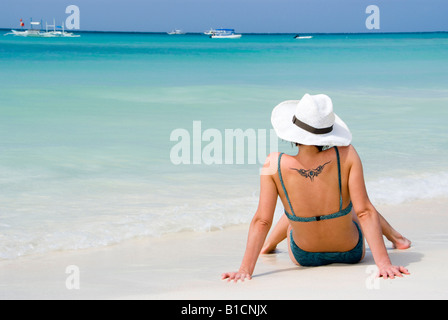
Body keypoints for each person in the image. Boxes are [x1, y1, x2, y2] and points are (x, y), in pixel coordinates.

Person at [222, 93, 411, 282]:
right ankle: (397, 239)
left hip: (304, 256)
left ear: (293, 131)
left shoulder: (274, 164)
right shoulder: (347, 155)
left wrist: (245, 269)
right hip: (350, 252)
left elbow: (262, 221)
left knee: (296, 206)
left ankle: (267, 245)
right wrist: (384, 264)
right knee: (351, 204)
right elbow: (365, 212)